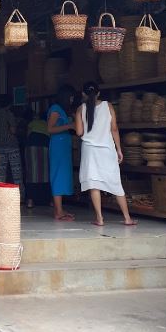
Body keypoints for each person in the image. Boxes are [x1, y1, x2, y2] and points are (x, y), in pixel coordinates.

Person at [75, 81, 137, 227]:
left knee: (94, 184)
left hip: (90, 151)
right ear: (98, 93)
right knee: (115, 182)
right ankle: (127, 218)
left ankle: (100, 219)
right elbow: (114, 129)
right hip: (107, 149)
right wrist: (119, 149)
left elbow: (79, 132)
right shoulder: (108, 106)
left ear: (83, 94)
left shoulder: (80, 109)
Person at [47, 84, 76, 221]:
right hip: (58, 146)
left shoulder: (63, 110)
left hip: (63, 146)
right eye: (71, 97)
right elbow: (50, 129)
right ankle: (58, 212)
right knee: (58, 175)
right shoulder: (55, 109)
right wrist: (70, 125)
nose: (72, 100)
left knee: (63, 175)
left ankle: (60, 209)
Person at [0, 94, 23, 196]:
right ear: (10, 104)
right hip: (11, 146)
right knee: (16, 173)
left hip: (0, 146)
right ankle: (19, 196)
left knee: (1, 173)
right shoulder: (9, 114)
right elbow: (13, 130)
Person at [24, 110, 51, 208]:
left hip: (31, 146)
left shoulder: (33, 123)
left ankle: (30, 201)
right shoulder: (48, 124)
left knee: (32, 173)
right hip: (45, 146)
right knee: (45, 173)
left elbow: (28, 135)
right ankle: (48, 200)